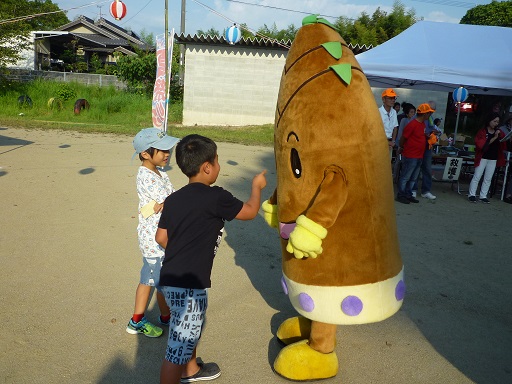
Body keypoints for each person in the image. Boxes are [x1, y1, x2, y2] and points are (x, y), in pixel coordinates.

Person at [155, 134, 267, 384]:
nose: (218, 166)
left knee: (185, 333)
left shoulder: (173, 199)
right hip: (190, 286)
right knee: (176, 351)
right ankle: (182, 371)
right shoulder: (216, 197)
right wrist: (256, 187)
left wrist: (183, 248)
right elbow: (249, 212)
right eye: (217, 161)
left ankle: (191, 369)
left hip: (169, 279)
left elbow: (161, 237)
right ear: (207, 167)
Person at [126, 128, 179, 338]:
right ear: (146, 154)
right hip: (153, 239)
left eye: (169, 150)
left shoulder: (160, 172)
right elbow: (172, 202)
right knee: (160, 281)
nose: (168, 154)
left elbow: (170, 198)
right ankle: (145, 320)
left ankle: (153, 318)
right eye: (163, 150)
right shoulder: (145, 176)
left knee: (150, 278)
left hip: (161, 236)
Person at [396, 103, 435, 204]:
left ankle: (408, 194)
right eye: (429, 113)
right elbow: (403, 138)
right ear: (424, 114)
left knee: (413, 178)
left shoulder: (421, 124)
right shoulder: (412, 124)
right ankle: (401, 195)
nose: (430, 115)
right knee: (406, 176)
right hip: (410, 155)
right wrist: (401, 147)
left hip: (418, 155)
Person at [468, 113, 507, 203]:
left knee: (488, 178)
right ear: (489, 121)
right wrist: (495, 137)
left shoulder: (499, 132)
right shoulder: (482, 132)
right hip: (482, 157)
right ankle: (472, 194)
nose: (496, 123)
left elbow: (504, 144)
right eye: (494, 121)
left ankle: (483, 195)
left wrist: (500, 136)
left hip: (493, 158)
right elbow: (481, 145)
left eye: (497, 122)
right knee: (477, 176)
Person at [412, 100, 438, 200]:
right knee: (416, 168)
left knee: (427, 168)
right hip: (418, 145)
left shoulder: (430, 118)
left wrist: (432, 132)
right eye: (430, 111)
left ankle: (426, 191)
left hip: (428, 146)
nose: (431, 113)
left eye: (433, 111)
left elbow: (431, 128)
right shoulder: (418, 117)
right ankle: (413, 189)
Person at [393, 103, 416, 181]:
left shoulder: (415, 122)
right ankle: (395, 176)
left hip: (410, 145)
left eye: (414, 112)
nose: (413, 114)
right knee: (398, 161)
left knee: (406, 163)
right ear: (407, 113)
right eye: (411, 112)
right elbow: (400, 133)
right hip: (401, 144)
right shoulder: (404, 120)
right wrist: (400, 144)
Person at [379, 88, 399, 157]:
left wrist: (393, 141)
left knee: (388, 164)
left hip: (390, 142)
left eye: (394, 98)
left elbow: (395, 127)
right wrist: (387, 142)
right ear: (383, 99)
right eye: (390, 98)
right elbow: (377, 130)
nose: (393, 100)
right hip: (380, 142)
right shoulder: (378, 112)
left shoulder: (394, 112)